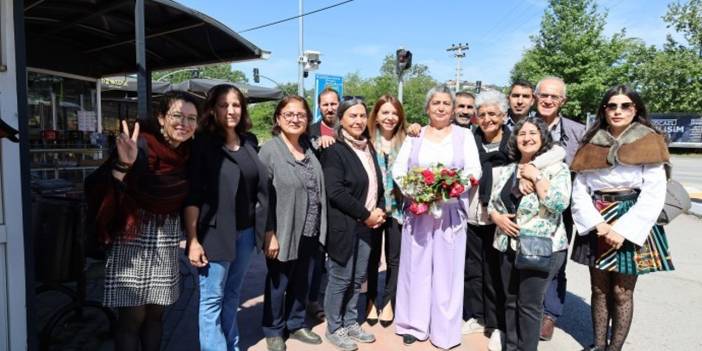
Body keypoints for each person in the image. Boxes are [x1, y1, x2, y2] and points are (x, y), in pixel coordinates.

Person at [569, 85, 674, 351]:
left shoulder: (649, 140)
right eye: (612, 106)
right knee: (600, 290)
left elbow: (654, 191)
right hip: (598, 217)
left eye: (625, 105)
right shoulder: (592, 142)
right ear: (603, 110)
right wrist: (597, 223)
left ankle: (614, 348)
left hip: (632, 215)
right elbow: (580, 188)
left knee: (621, 292)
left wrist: (624, 229)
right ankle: (598, 345)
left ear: (635, 109)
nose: (618, 111)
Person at [96, 90, 199, 351]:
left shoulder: (189, 153)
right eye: (177, 115)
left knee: (156, 315)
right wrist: (123, 166)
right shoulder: (139, 144)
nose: (184, 123)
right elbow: (99, 187)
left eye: (191, 118)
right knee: (132, 318)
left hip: (166, 238)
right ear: (161, 117)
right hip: (133, 235)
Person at [392, 85, 482, 350]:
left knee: (448, 272)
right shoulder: (414, 136)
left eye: (446, 103)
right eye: (436, 103)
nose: (441, 107)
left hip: (451, 212)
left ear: (453, 109)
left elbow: (474, 170)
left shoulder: (464, 136)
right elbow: (399, 171)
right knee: (415, 268)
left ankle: (444, 331)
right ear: (427, 107)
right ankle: (413, 325)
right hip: (418, 212)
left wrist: (449, 189)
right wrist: (418, 192)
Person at [184, 84, 269, 351]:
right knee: (212, 298)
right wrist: (193, 240)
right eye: (224, 105)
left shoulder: (249, 141)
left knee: (232, 294)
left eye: (236, 105)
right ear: (212, 109)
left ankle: (230, 344)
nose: (230, 110)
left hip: (244, 233)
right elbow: (193, 196)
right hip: (214, 234)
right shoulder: (201, 145)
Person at [488, 116, 572, 351]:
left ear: (543, 138)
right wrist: (497, 218)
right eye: (522, 134)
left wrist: (535, 177)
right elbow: (493, 204)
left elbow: (558, 204)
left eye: (533, 133)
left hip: (541, 247)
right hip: (506, 244)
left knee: (529, 305)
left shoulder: (557, 169)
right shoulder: (507, 170)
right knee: (511, 302)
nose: (527, 138)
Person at [258, 96, 327, 351]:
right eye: (289, 114)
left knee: (302, 280)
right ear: (278, 118)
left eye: (300, 114)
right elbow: (261, 197)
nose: (295, 119)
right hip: (283, 230)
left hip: (310, 229)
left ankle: (296, 323)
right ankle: (274, 329)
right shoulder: (270, 151)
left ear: (308, 119)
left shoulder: (309, 146)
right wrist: (269, 233)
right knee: (279, 282)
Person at [321, 98, 385, 351]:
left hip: (366, 225)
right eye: (352, 116)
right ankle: (334, 327)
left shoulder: (368, 146)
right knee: (340, 278)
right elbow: (335, 191)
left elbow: (376, 182)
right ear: (341, 119)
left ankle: (349, 321)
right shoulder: (334, 149)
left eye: (361, 116)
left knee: (358, 278)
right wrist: (366, 214)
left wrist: (378, 209)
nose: (358, 121)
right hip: (345, 225)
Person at [531, 76, 585, 341]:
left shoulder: (577, 131)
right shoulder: (523, 125)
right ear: (535, 96)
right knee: (526, 258)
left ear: (563, 101)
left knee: (556, 261)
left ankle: (550, 313)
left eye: (554, 97)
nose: (548, 100)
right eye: (544, 95)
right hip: (528, 205)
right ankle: (528, 308)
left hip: (563, 207)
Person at [364, 95, 408, 328]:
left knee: (394, 258)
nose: (390, 117)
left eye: (394, 113)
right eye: (385, 113)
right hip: (372, 208)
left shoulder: (408, 140)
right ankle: (370, 300)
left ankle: (389, 300)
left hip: (399, 209)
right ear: (377, 116)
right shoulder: (366, 140)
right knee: (371, 258)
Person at [307, 86, 340, 320]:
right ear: (319, 106)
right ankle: (313, 300)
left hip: (343, 205)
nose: (330, 108)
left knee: (339, 255)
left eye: (333, 103)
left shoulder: (351, 127)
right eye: (325, 104)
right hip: (318, 204)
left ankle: (337, 300)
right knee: (316, 257)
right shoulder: (310, 132)